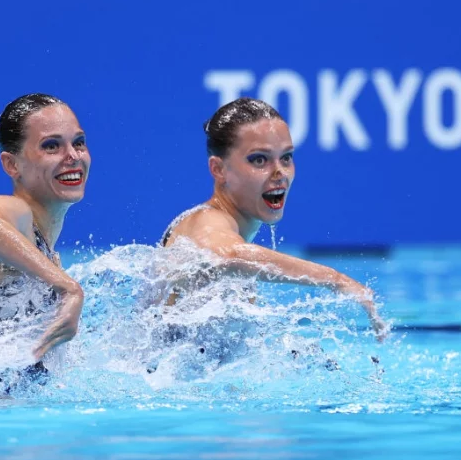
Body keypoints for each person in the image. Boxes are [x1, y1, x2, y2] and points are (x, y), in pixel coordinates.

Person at [159, 97, 387, 340]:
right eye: (259, 159)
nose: (280, 173)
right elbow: (223, 253)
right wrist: (336, 280)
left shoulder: (231, 227)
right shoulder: (206, 220)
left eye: (286, 157)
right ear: (218, 169)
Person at [0, 93, 89, 389]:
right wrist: (69, 288)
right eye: (51, 146)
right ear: (12, 164)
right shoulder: (18, 215)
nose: (73, 156)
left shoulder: (42, 253)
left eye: (78, 142)